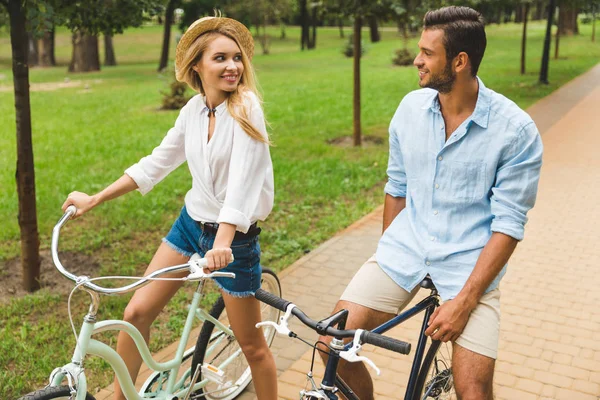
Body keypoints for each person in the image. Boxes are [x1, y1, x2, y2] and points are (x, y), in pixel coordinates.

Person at [319, 6, 543, 400]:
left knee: (473, 390)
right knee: (331, 344)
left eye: (427, 53)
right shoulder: (410, 110)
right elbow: (397, 186)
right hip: (406, 249)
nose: (416, 60)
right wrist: (390, 249)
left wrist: (465, 301)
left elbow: (508, 225)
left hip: (470, 265)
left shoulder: (516, 130)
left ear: (459, 62)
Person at [62, 16, 277, 400]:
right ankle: (120, 396)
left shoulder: (247, 109)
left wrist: (223, 241)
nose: (233, 67)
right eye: (220, 58)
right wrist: (95, 199)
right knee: (135, 315)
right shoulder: (193, 111)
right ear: (197, 65)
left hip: (234, 242)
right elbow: (155, 163)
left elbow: (243, 184)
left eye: (236, 58)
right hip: (190, 226)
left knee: (253, 347)